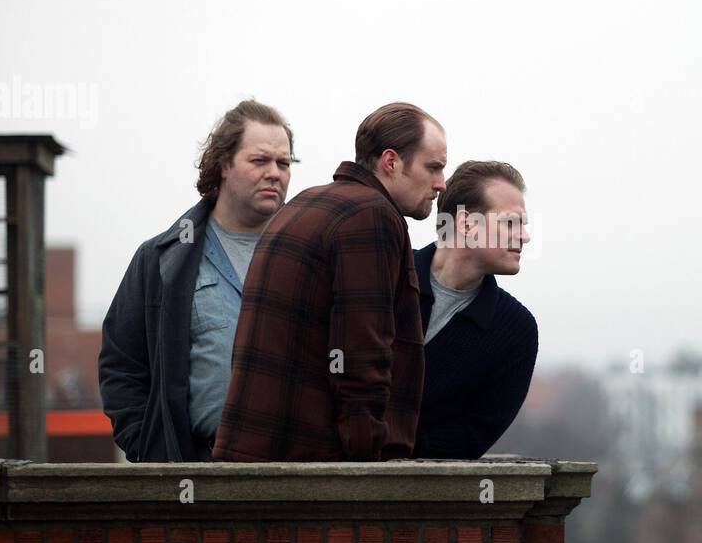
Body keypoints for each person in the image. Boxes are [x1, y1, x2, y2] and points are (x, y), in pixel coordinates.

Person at [213, 102, 446, 462]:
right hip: (310, 474)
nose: (440, 184)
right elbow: (361, 354)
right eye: (433, 167)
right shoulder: (371, 216)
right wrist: (367, 461)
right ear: (391, 161)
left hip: (254, 460)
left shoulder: (305, 205)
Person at [98, 99, 295, 462]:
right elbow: (121, 364)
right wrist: (150, 447)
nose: (275, 173)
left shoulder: (308, 257)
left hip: (294, 473)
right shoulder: (161, 259)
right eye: (259, 160)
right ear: (223, 164)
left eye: (283, 163)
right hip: (197, 474)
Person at [413, 161, 537, 459]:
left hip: (415, 494)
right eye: (511, 223)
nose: (525, 236)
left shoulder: (515, 330)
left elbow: (474, 436)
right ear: (466, 224)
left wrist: (389, 445)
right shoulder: (383, 276)